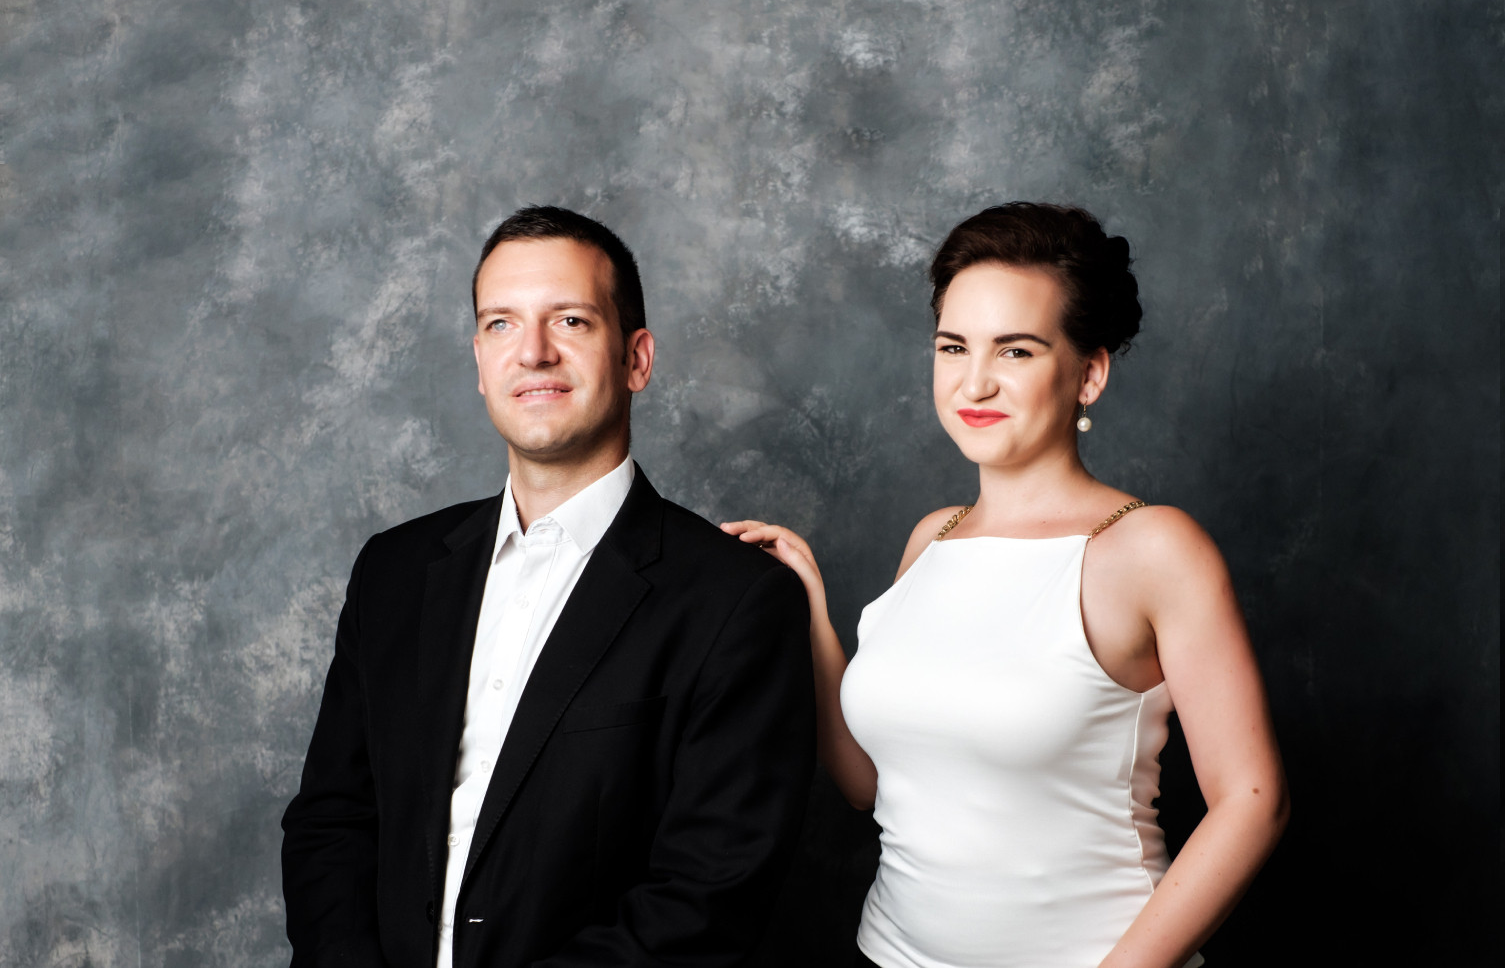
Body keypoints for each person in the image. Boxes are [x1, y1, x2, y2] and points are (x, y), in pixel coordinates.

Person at [724, 203, 1289, 968]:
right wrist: (810, 617)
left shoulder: (1152, 548)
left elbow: (1252, 802)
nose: (975, 382)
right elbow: (871, 786)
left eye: (1015, 351)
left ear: (1088, 373)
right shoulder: (933, 537)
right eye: (952, 347)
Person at [281, 206, 815, 968]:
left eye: (569, 320)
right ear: (479, 363)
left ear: (636, 359)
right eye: (501, 324)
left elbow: (705, 898)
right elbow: (331, 822)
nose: (532, 352)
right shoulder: (393, 572)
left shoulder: (734, 602)